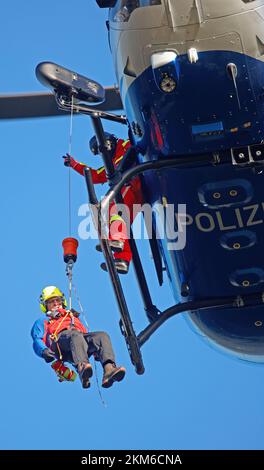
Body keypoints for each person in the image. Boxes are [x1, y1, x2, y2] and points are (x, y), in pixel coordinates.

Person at [63, 133, 144, 274]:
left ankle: (117, 240)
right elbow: (96, 175)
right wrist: (74, 164)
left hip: (136, 182)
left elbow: (136, 147)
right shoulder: (111, 164)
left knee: (115, 209)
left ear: (109, 143)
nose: (102, 154)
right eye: (99, 153)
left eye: (102, 149)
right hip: (135, 189)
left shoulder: (125, 145)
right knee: (119, 219)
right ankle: (122, 260)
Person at [31, 285, 126, 389]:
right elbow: (36, 339)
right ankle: (82, 367)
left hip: (78, 342)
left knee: (101, 336)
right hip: (60, 344)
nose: (55, 303)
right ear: (45, 306)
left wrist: (97, 351)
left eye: (57, 300)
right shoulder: (43, 321)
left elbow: (83, 337)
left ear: (63, 301)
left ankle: (109, 369)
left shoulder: (71, 316)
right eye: (50, 302)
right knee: (75, 335)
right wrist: (43, 351)